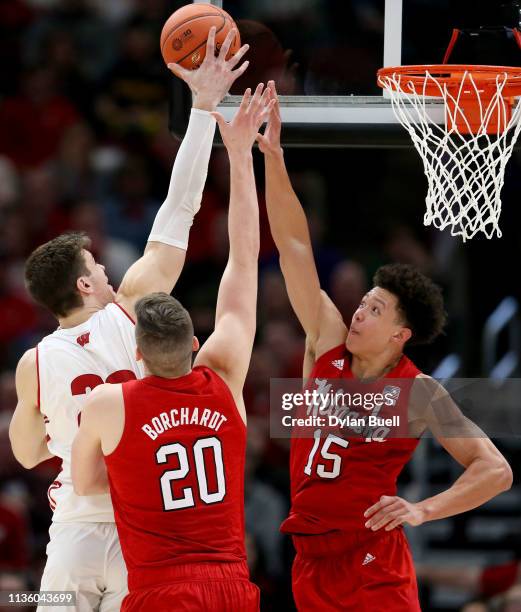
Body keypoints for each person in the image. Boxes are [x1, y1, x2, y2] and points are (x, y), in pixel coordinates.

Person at [8, 28, 249, 612]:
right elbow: (180, 210)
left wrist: (61, 426)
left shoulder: (32, 363)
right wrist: (202, 109)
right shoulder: (131, 309)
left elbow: (27, 454)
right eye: (99, 266)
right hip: (141, 535)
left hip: (71, 537)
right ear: (86, 284)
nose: (112, 272)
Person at [257, 81, 513, 611]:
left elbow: (495, 471)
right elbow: (295, 246)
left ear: (401, 334)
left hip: (374, 561)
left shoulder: (418, 392)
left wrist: (421, 510)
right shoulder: (326, 342)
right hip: (310, 561)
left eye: (375, 309)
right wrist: (274, 160)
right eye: (364, 301)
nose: (359, 310)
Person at [71, 84, 273, 611]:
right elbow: (245, 257)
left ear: (137, 354)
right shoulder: (225, 378)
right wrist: (241, 157)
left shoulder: (110, 403)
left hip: (160, 590)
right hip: (232, 585)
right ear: (195, 343)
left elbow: (89, 485)